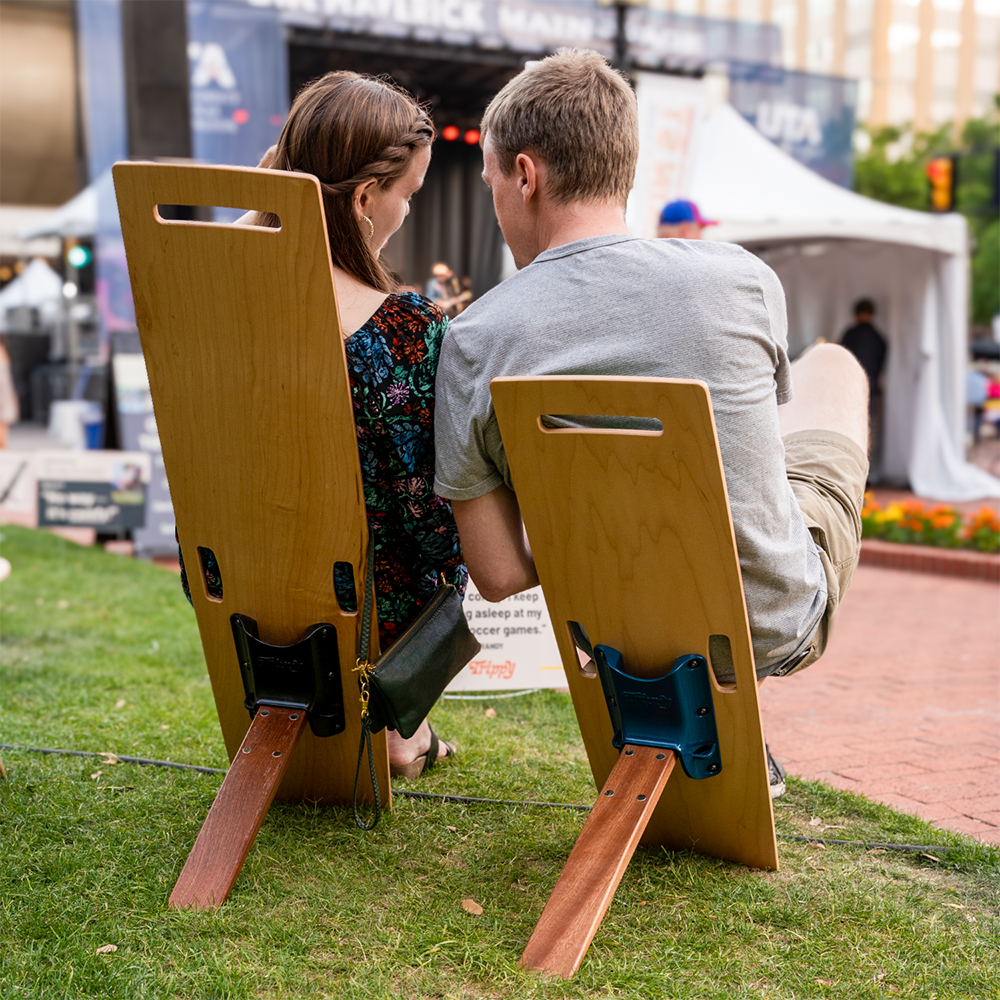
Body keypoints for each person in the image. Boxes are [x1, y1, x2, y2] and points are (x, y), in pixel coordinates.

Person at [432, 50, 870, 796]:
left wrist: (598, 538)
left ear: (526, 175)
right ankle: (731, 723)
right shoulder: (743, 280)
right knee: (833, 366)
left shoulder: (475, 338)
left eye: (493, 182)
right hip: (765, 622)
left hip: (612, 637)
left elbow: (499, 575)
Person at [180, 72, 466, 778]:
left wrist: (269, 203)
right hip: (364, 603)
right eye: (408, 194)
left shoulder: (204, 301)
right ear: (367, 198)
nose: (407, 210)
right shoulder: (403, 328)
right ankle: (403, 726)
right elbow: (425, 522)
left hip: (234, 587)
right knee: (443, 536)